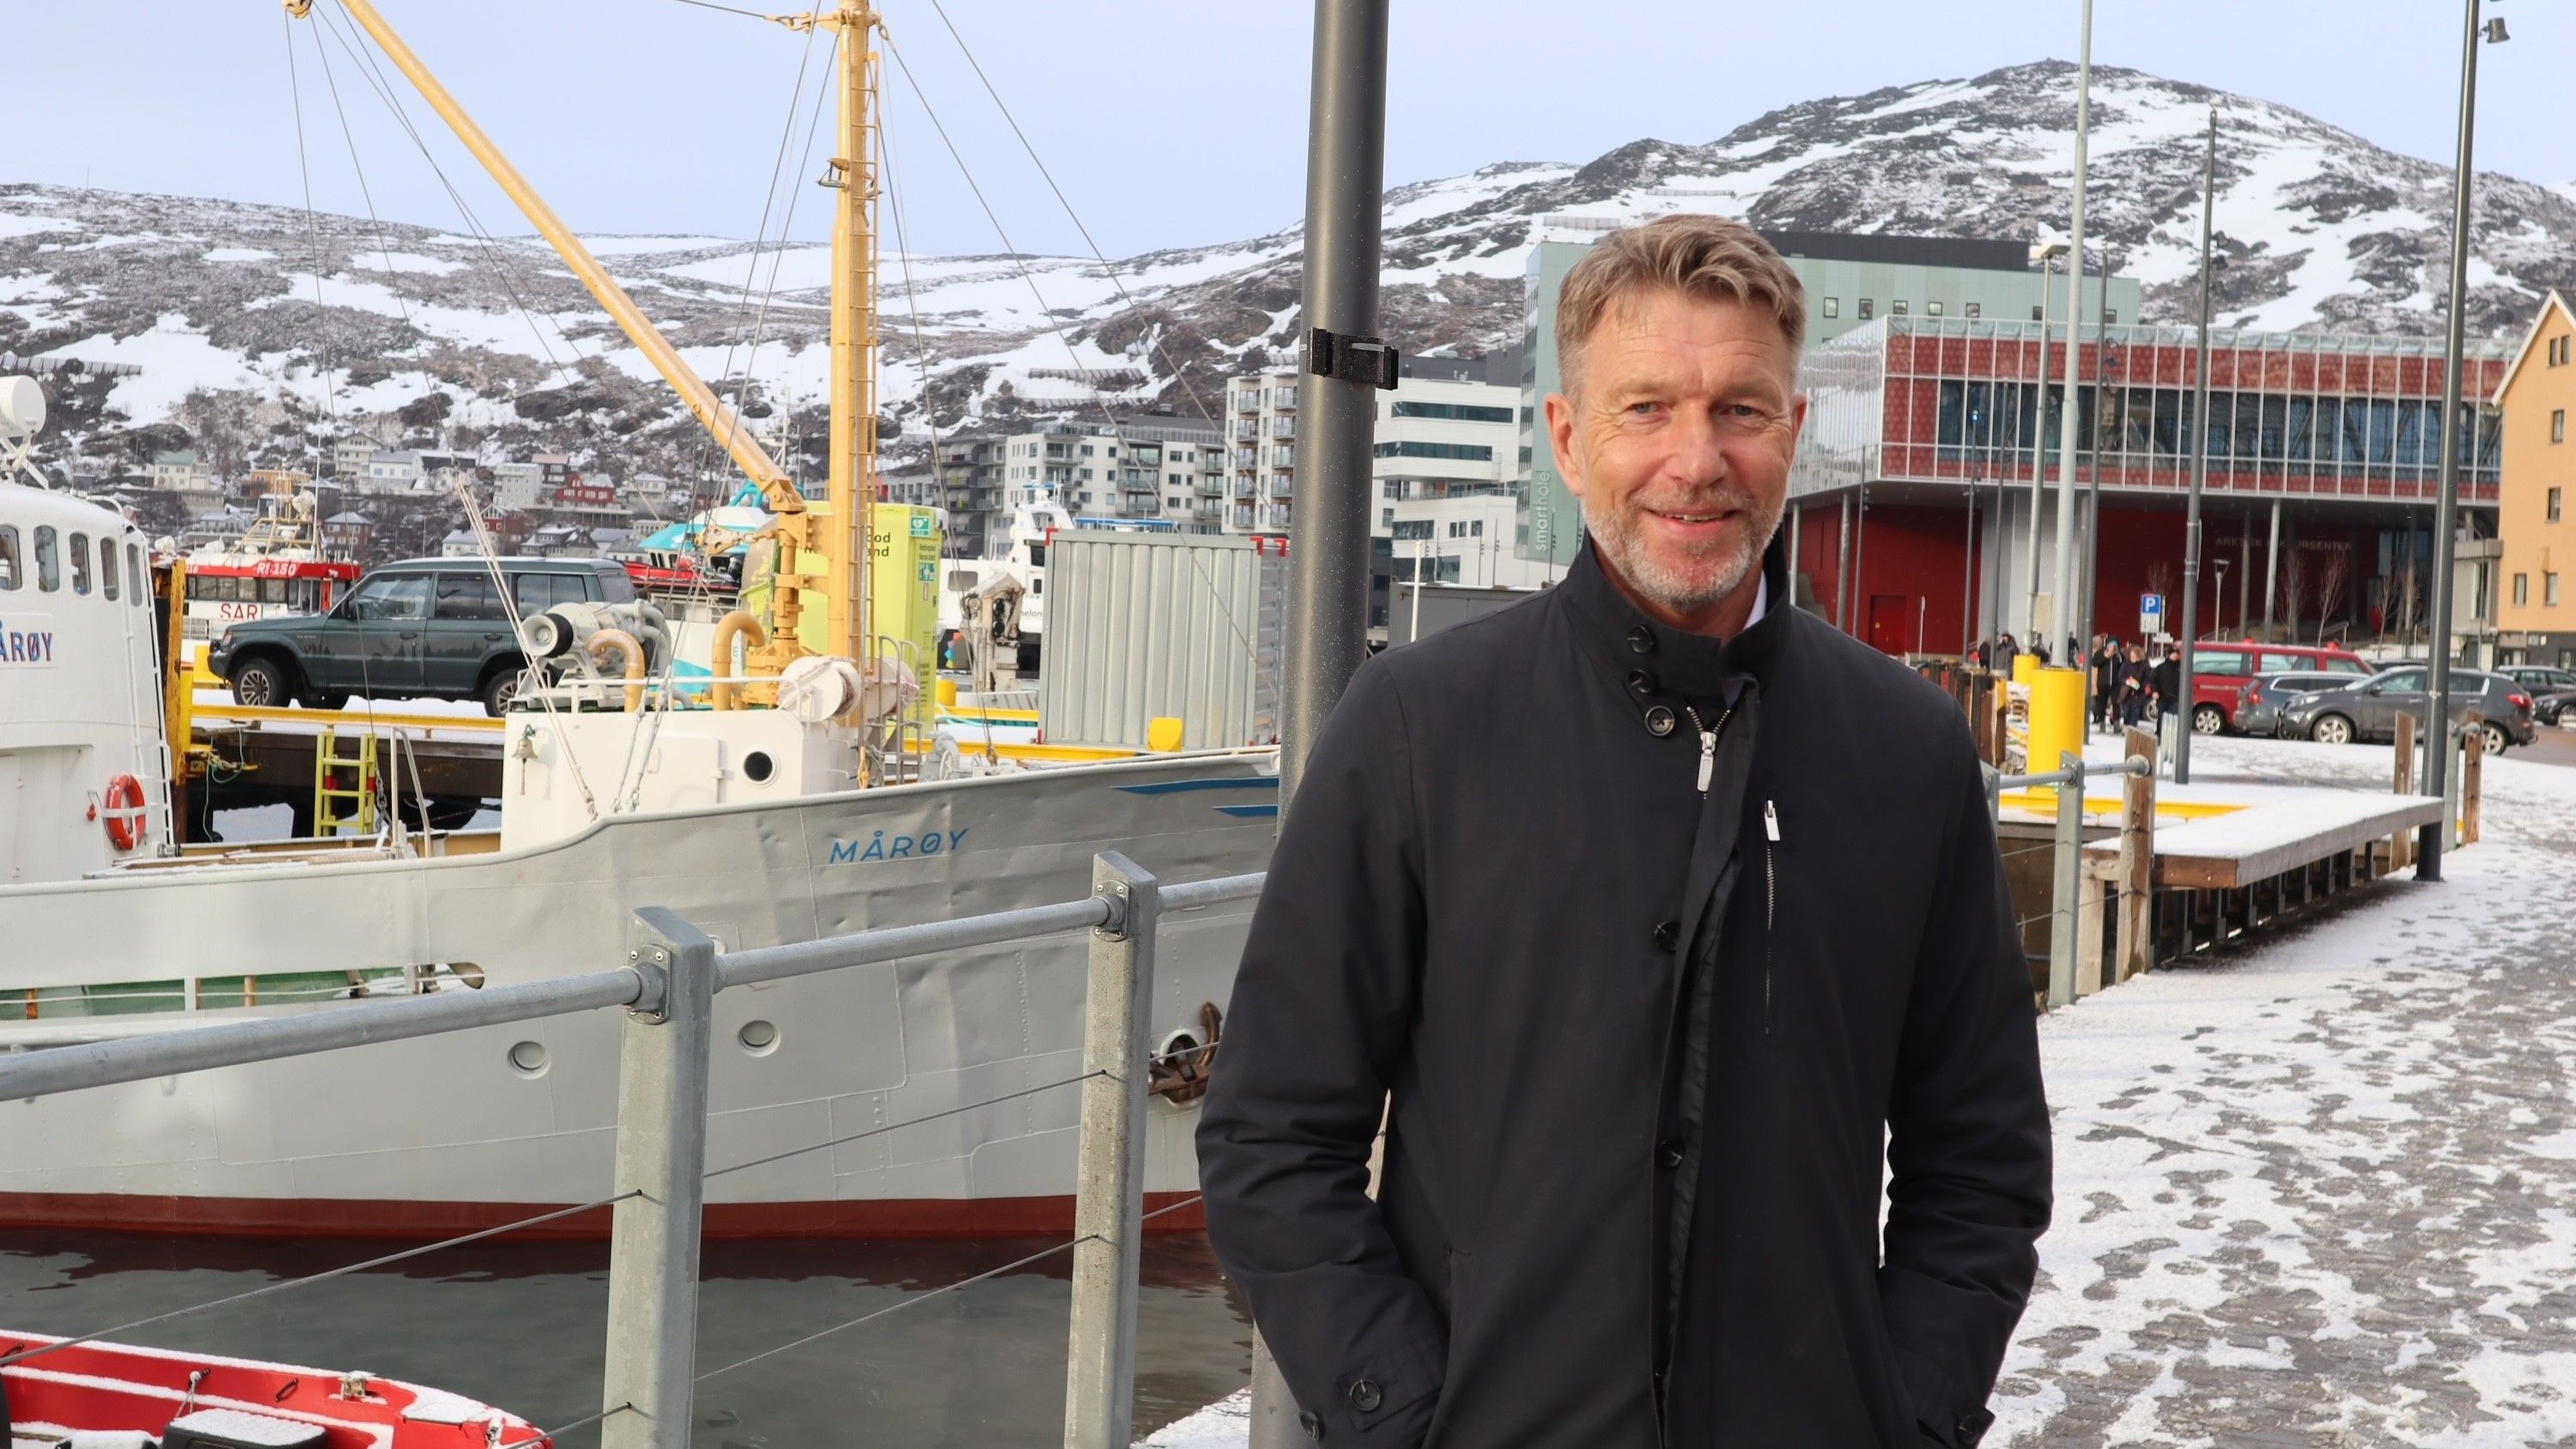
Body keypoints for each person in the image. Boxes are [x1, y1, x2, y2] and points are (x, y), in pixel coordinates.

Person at [1198, 215, 2050, 1449]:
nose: (1696, 460)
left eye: (1740, 410)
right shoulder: (1422, 727)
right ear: (1567, 437)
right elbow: (1272, 1134)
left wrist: (1908, 1411)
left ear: (1795, 433)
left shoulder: (1908, 751)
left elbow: (1980, 1158)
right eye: (1646, 408)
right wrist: (1407, 1413)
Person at [2118, 641, 2154, 727]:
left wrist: (2140, 685)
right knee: (2127, 712)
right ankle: (2126, 727)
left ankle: (2133, 728)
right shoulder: (2126, 665)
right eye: (2131, 655)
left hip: (2139, 693)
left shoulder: (2144, 666)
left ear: (2139, 655)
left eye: (2134, 655)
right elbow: (2121, 677)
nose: (2132, 656)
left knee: (2136, 712)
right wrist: (2127, 681)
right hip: (2127, 692)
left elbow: (2148, 679)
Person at [2153, 642, 2183, 728]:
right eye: (2173, 653)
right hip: (2163, 697)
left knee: (2173, 718)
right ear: (2169, 654)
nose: (2175, 655)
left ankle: (2171, 734)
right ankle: (2159, 733)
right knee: (2161, 718)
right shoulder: (2161, 667)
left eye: (2177, 653)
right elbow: (2154, 681)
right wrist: (2155, 691)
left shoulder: (2182, 667)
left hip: (2176, 698)